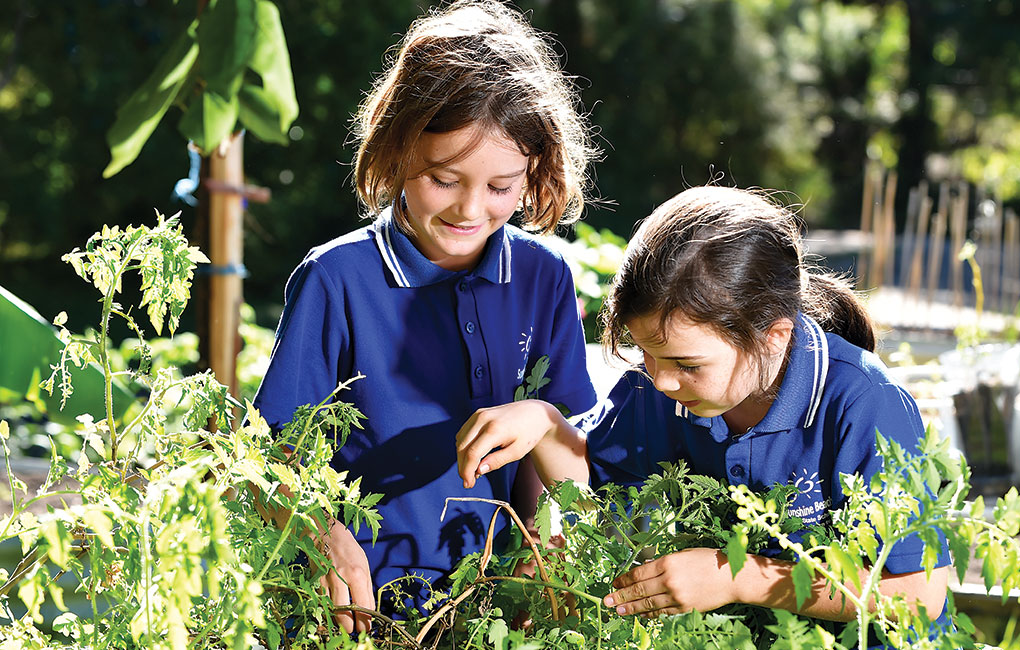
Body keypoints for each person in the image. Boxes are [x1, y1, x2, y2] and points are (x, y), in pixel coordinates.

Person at [456, 186, 950, 632]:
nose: (660, 378)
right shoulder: (660, 392)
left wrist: (740, 578)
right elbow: (596, 486)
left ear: (773, 336)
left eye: (685, 362)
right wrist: (545, 426)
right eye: (647, 352)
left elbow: (919, 594)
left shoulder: (864, 403)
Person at [252, 0, 599, 633]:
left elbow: (555, 455)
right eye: (444, 178)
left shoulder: (545, 278)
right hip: (354, 613)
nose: (471, 209)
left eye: (502, 188)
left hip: (489, 613)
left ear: (535, 170)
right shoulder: (337, 280)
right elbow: (268, 455)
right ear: (397, 148)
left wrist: (547, 551)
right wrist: (319, 531)